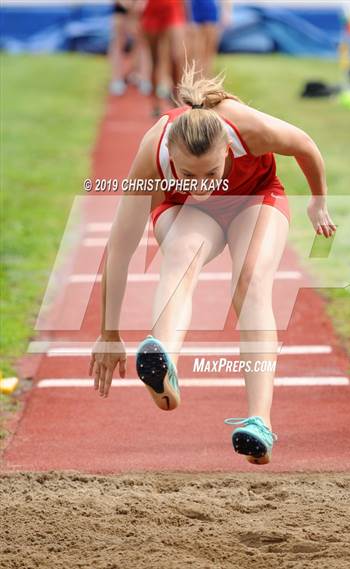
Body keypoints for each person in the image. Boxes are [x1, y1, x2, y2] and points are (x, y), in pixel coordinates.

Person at [89, 63, 337, 465]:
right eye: (188, 173)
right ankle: (164, 358)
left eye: (211, 174)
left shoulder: (248, 128)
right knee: (181, 257)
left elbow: (305, 144)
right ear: (170, 154)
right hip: (181, 210)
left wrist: (318, 200)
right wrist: (108, 332)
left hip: (255, 198)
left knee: (251, 280)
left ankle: (260, 421)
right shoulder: (152, 150)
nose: (201, 185)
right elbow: (120, 244)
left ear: (227, 150)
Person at [140, 0, 187, 116]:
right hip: (152, 9)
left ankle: (176, 98)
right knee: (155, 59)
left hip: (173, 9)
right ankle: (155, 104)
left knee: (176, 57)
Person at [187, 0, 232, 76]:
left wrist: (226, 13)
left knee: (209, 51)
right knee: (196, 52)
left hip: (209, 9)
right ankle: (197, 77)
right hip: (194, 9)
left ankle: (206, 77)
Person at [109, 0, 143, 96]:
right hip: (122, 10)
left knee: (140, 42)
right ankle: (116, 78)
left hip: (137, 11)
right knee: (118, 42)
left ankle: (136, 73)